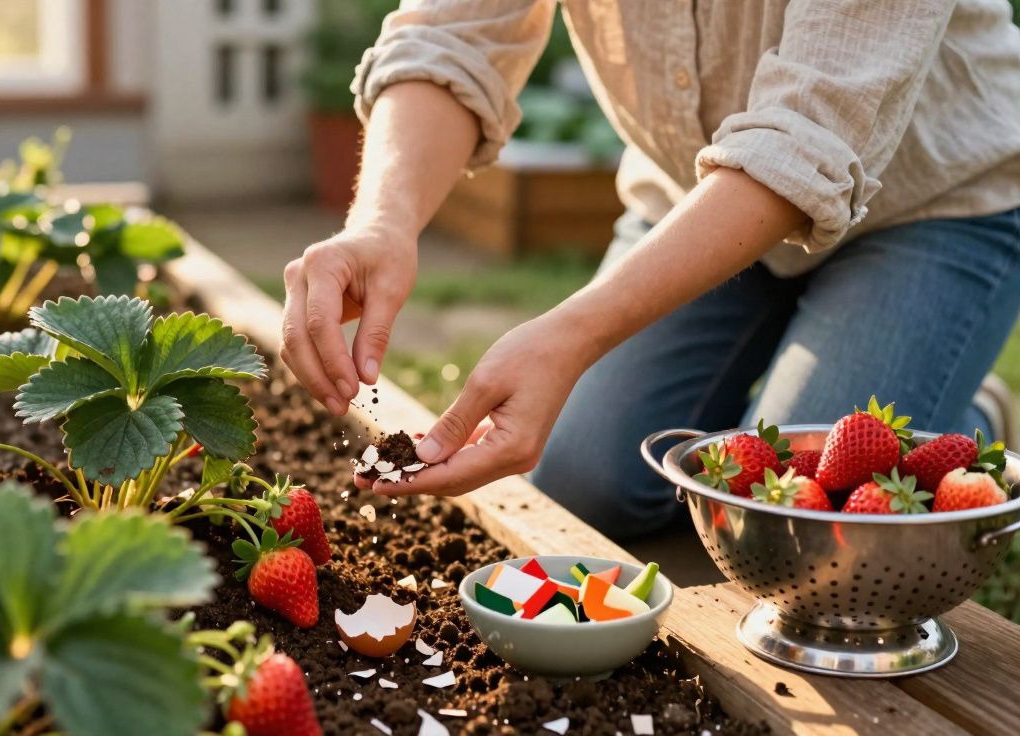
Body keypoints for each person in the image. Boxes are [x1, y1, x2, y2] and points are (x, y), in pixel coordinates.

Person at [279, 0, 1020, 540]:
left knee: (805, 518)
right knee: (582, 486)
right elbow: (450, 35)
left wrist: (572, 334)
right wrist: (383, 221)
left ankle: (960, 424)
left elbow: (815, 134)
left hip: (932, 206)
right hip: (694, 205)